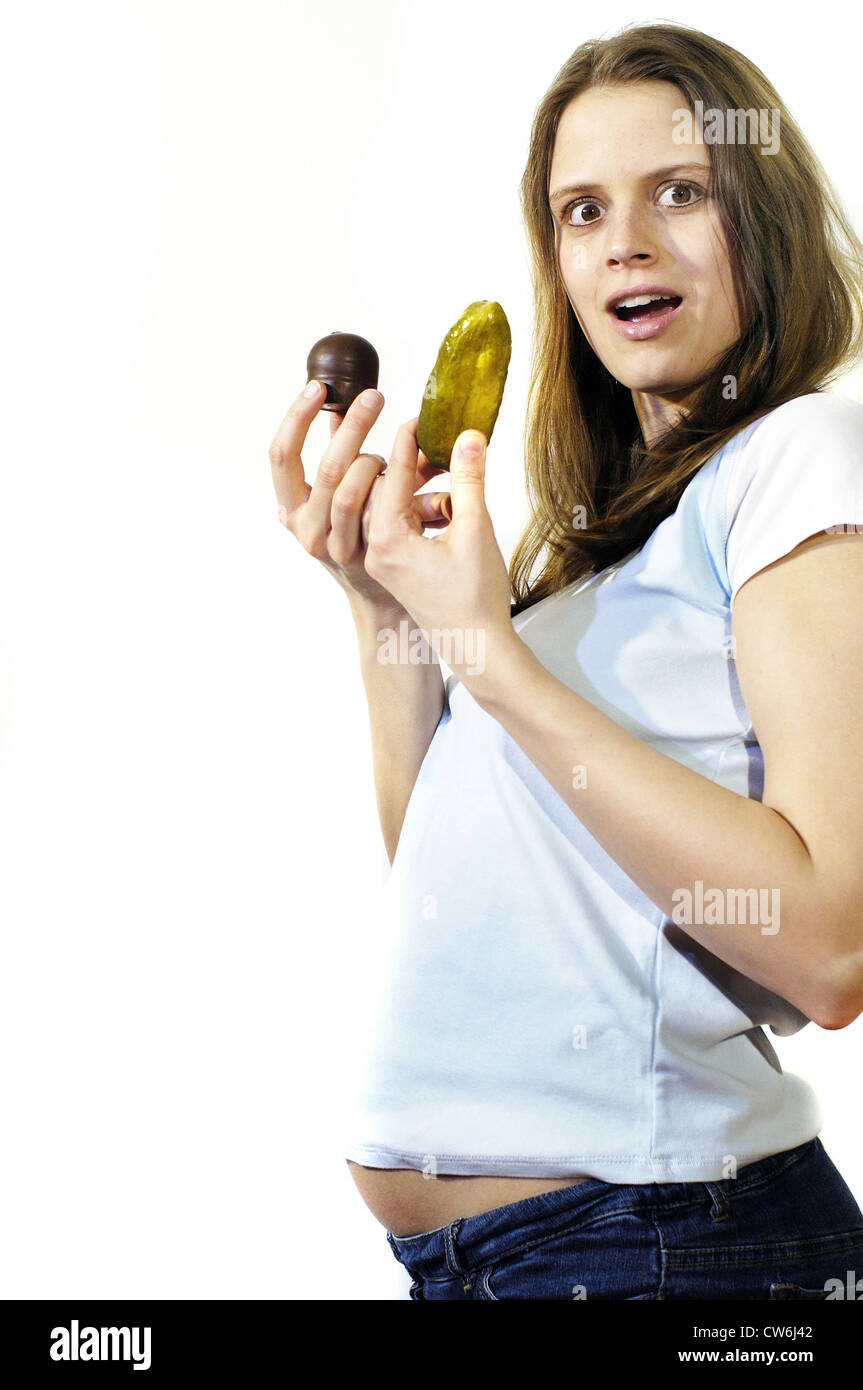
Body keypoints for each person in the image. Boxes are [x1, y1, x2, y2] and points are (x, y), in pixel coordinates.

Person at [269, 21, 863, 1299]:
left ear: (759, 214)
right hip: (511, 1258)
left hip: (661, 1245)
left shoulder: (799, 455)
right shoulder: (599, 554)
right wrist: (382, 608)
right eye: (580, 210)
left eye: (679, 192)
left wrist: (491, 656)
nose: (625, 243)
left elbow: (826, 947)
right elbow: (454, 885)